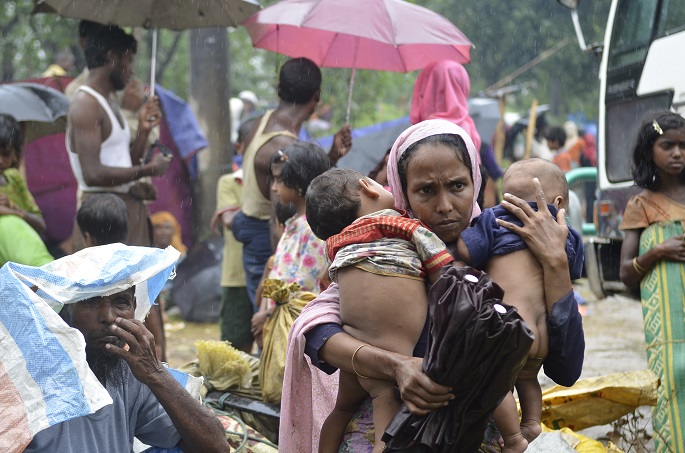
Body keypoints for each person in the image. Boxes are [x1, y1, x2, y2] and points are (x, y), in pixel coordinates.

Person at [280, 119, 585, 452]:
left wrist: (556, 264)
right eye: (426, 190)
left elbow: (566, 369)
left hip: (478, 435)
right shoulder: (386, 254)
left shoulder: (508, 250)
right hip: (391, 431)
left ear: (475, 182)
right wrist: (396, 366)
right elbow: (315, 332)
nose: (445, 206)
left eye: (457, 185)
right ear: (403, 192)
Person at [305, 168, 453, 453]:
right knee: (385, 433)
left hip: (356, 348)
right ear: (368, 187)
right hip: (392, 354)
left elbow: (332, 284)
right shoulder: (405, 226)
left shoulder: (337, 244)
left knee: (341, 409)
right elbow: (444, 274)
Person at [24, 248, 229, 453]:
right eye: (91, 301)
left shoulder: (129, 371)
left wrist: (155, 372)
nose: (108, 317)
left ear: (134, 307)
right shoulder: (29, 377)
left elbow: (216, 447)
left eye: (121, 302)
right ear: (64, 312)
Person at [457, 158, 584, 452]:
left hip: (511, 326)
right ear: (559, 202)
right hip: (544, 337)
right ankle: (531, 422)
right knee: (527, 378)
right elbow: (576, 270)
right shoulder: (567, 234)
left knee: (493, 380)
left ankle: (514, 438)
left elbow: (466, 250)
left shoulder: (495, 218)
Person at [231, 57, 351, 307]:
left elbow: (296, 183)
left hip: (252, 224)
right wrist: (278, 264)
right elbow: (280, 216)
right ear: (316, 96)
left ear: (279, 90)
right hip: (268, 236)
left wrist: (331, 157)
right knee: (273, 314)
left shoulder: (262, 121)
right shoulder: (283, 145)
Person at [67, 24, 171, 250]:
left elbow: (124, 167)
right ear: (111, 57)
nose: (131, 70)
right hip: (101, 219)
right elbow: (93, 174)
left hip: (122, 213)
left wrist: (142, 131)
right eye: (129, 61)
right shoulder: (86, 103)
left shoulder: (109, 103)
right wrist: (149, 169)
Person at [618, 111, 685, 453]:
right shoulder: (641, 205)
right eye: (668, 145)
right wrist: (658, 251)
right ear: (649, 151)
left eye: (684, 146)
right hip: (670, 330)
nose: (678, 153)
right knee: (673, 384)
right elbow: (625, 273)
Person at [212, 118, 254, 352]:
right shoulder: (229, 182)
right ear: (240, 148)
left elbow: (234, 218)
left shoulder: (277, 185)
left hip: (272, 275)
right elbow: (231, 222)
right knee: (235, 346)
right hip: (237, 276)